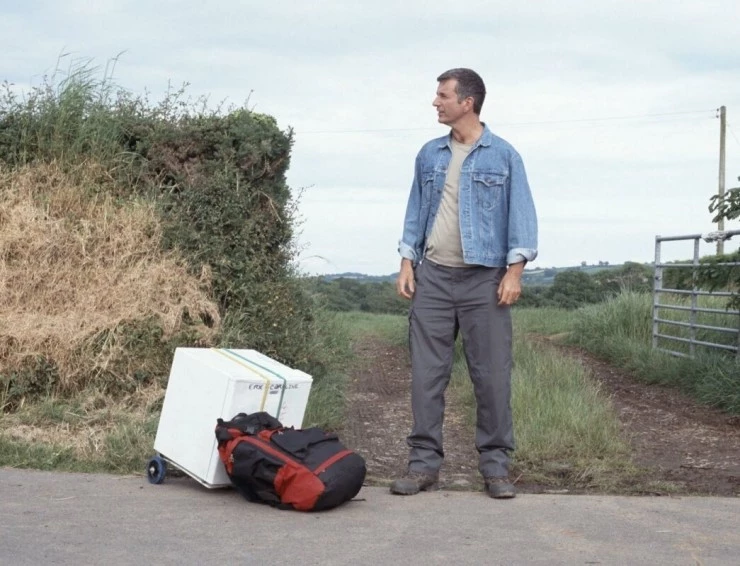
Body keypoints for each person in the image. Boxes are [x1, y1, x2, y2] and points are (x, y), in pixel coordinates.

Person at [391, 68, 538, 499]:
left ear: (467, 102)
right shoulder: (429, 154)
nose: (435, 102)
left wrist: (514, 272)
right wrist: (407, 261)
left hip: (484, 281)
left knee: (491, 378)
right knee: (426, 378)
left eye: (443, 95)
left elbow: (522, 217)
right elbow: (416, 210)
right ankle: (423, 466)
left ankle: (495, 469)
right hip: (433, 278)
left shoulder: (504, 156)